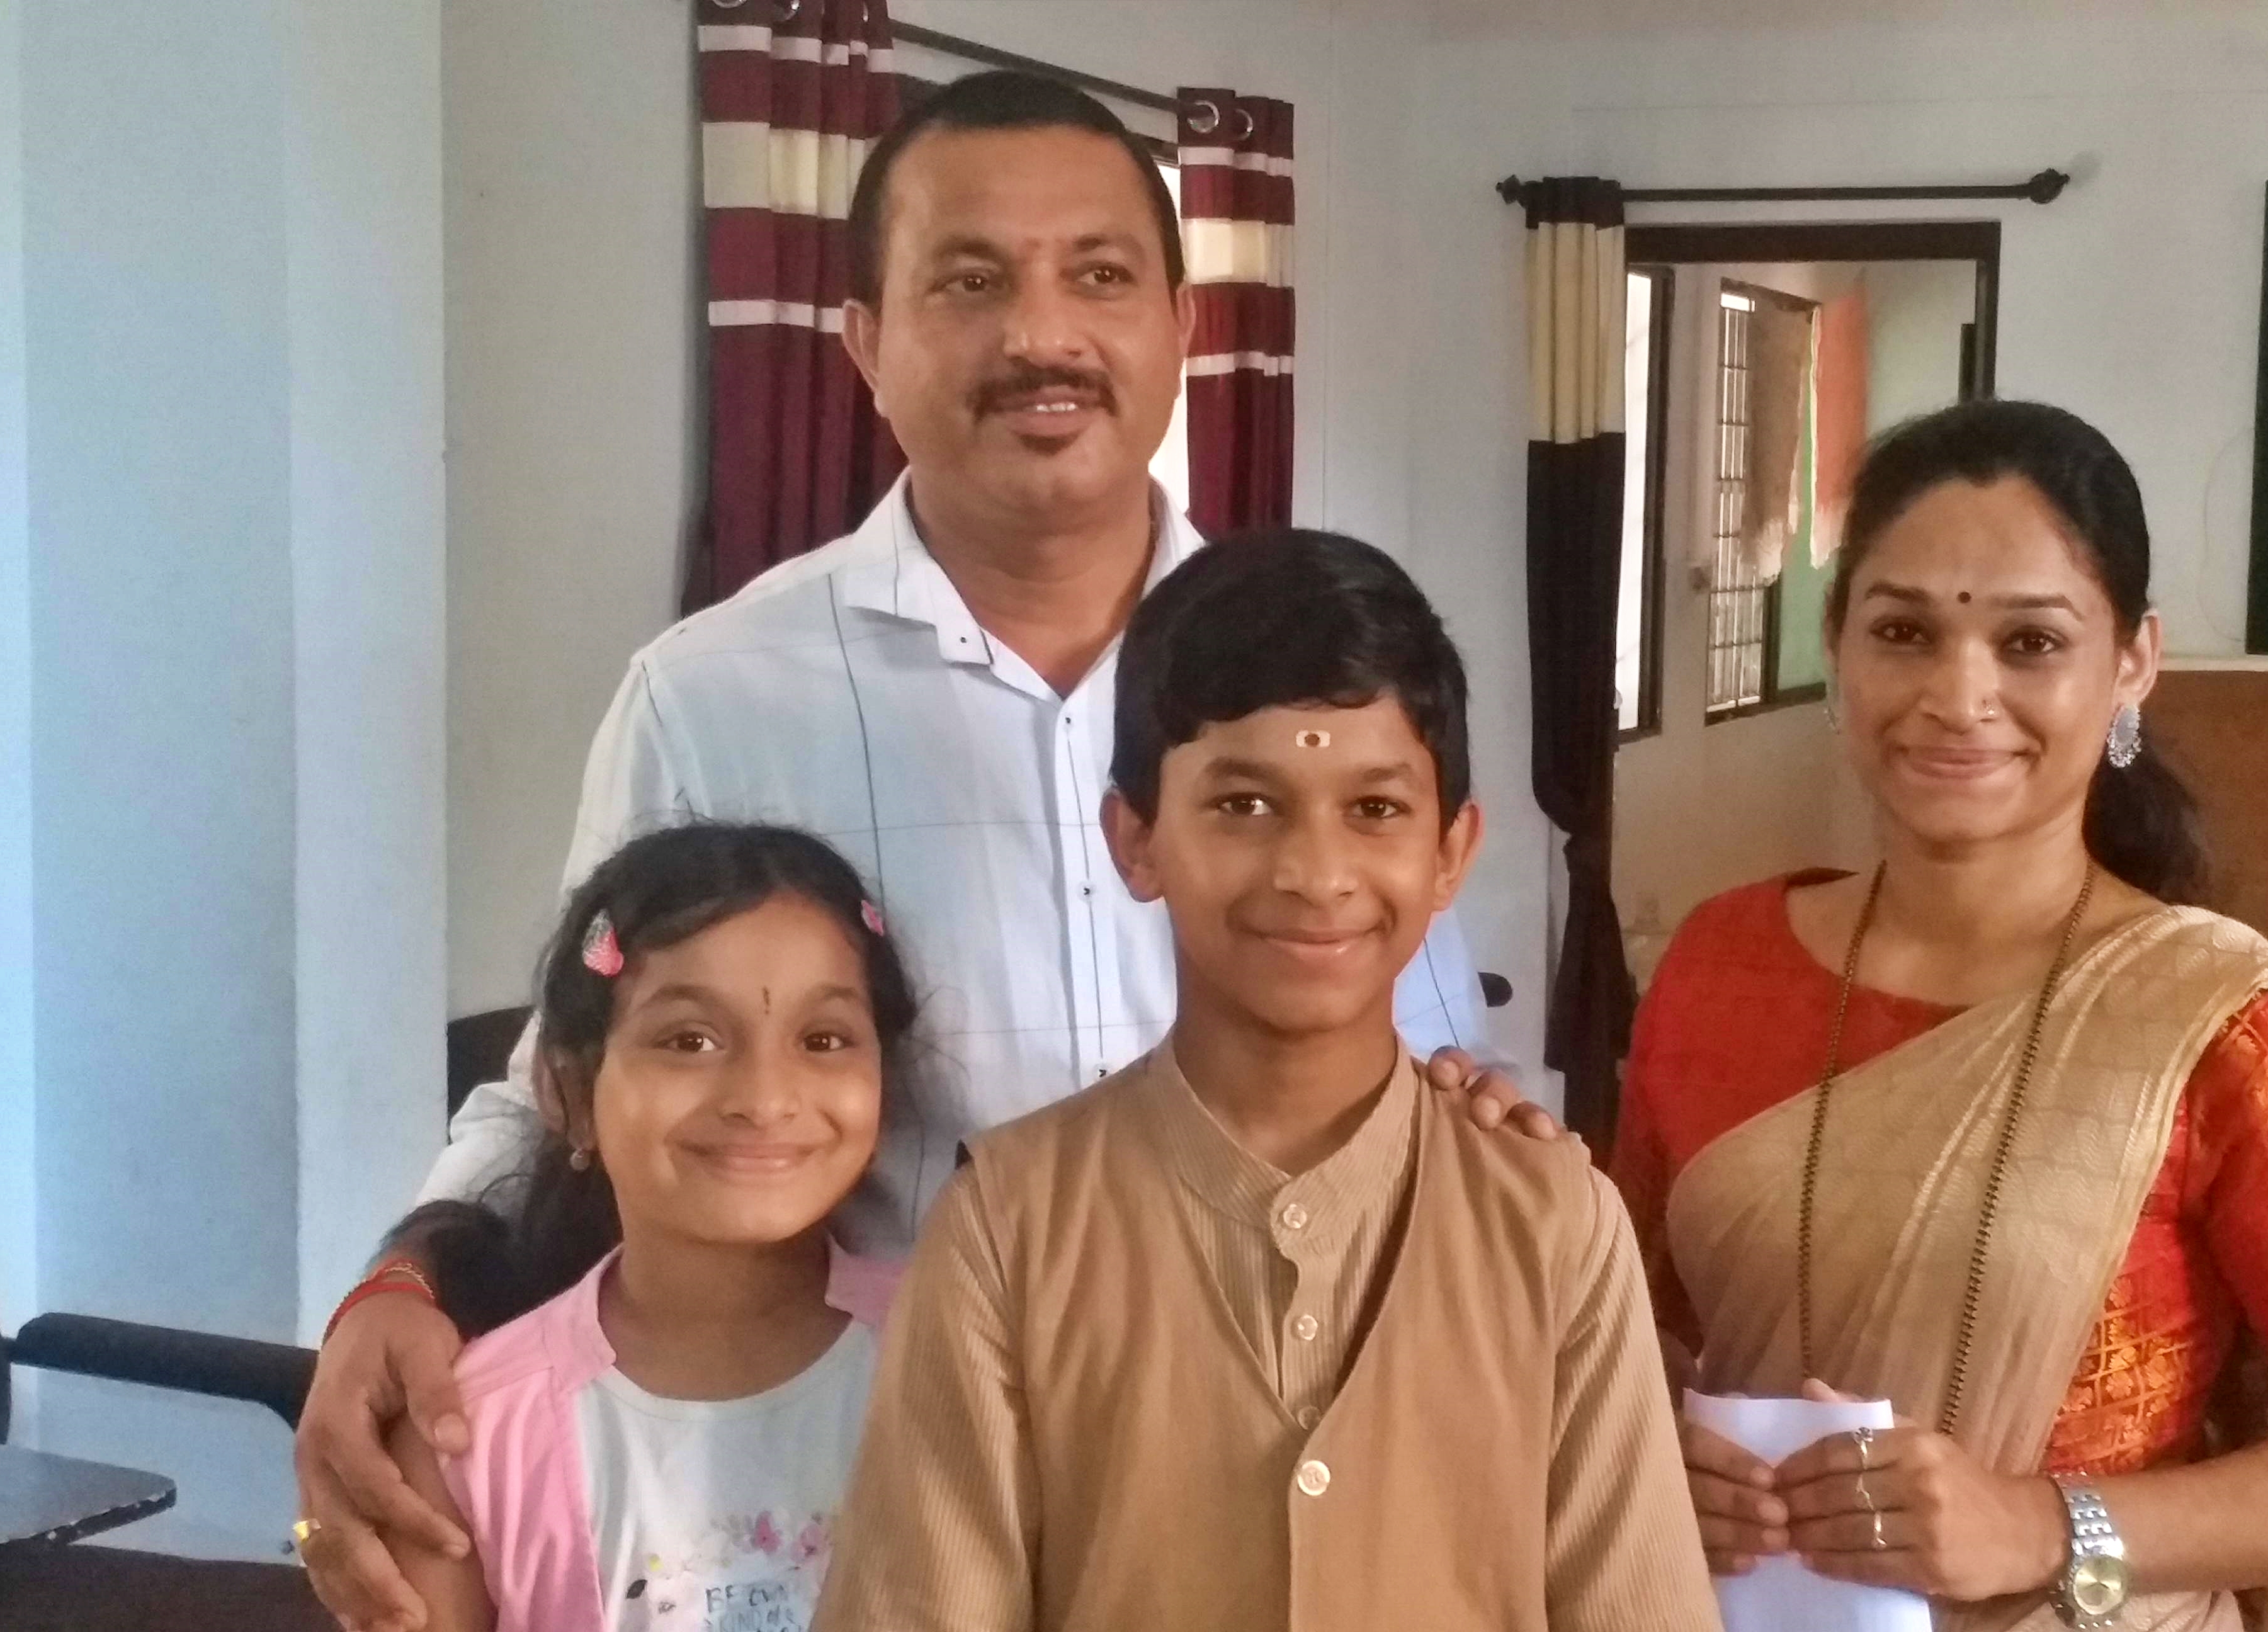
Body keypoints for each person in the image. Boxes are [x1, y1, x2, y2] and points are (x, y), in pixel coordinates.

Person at [298, 71, 1551, 1632]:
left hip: (1298, 1481)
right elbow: (577, 1066)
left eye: (1098, 276)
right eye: (970, 281)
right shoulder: (715, 695)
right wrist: (407, 1274)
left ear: (1178, 326)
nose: (1042, 335)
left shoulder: (1315, 682)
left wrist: (1488, 1122)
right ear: (866, 346)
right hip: (890, 1499)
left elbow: (1423, 1064)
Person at [1612, 401, 2268, 1632]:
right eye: (1904, 631)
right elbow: (1630, 1319)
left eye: (2031, 643)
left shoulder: (2237, 1034)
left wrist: (2040, 1521)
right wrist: (1657, 1455)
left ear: (2133, 663)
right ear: (1838, 647)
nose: (1958, 696)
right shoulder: (1722, 961)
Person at [813, 530, 1718, 1632]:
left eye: (1375, 808)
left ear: (1449, 851)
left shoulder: (1549, 1222)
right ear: (1135, 839)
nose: (1313, 872)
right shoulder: (1010, 1230)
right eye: (1243, 804)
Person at [379, 824, 914, 1632]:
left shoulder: (956, 1359)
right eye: (689, 1040)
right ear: (565, 1089)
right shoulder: (470, 1437)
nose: (764, 1098)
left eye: (823, 1039)